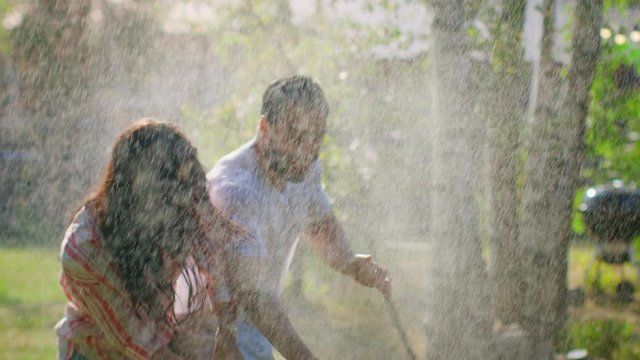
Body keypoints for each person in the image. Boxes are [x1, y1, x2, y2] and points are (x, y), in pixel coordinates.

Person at [207, 76, 391, 360]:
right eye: (296, 135)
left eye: (316, 136)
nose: (307, 150)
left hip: (253, 332)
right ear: (265, 128)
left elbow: (317, 223)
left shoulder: (303, 170)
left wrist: (350, 263)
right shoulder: (238, 190)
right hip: (210, 338)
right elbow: (254, 296)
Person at [55, 119, 242, 359]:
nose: (185, 200)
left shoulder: (176, 212)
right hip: (101, 353)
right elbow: (139, 344)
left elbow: (212, 263)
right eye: (174, 191)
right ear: (140, 193)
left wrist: (225, 332)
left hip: (167, 341)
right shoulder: (85, 249)